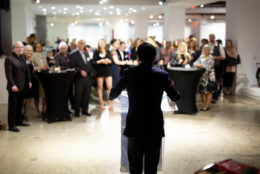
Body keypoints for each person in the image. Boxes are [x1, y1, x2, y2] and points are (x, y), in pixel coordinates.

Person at [109, 42, 180, 174]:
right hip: (154, 124)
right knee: (151, 166)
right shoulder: (162, 75)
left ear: (138, 57)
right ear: (154, 58)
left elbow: (113, 94)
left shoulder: (129, 73)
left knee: (134, 166)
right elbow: (175, 97)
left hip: (134, 124)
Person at [4, 41, 31, 132]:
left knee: (20, 105)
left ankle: (19, 121)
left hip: (22, 86)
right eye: (18, 47)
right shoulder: (9, 59)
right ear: (14, 48)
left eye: (21, 47)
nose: (20, 49)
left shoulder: (23, 57)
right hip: (14, 87)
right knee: (13, 106)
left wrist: (29, 81)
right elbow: (9, 74)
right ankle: (11, 125)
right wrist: (13, 85)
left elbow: (26, 70)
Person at [69, 39, 92, 116]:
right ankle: (77, 111)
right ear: (77, 44)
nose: (81, 45)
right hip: (79, 77)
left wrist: (90, 74)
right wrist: (80, 71)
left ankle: (85, 110)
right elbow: (72, 66)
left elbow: (89, 64)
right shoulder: (73, 54)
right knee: (78, 95)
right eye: (80, 43)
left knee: (87, 94)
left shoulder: (86, 53)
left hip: (88, 77)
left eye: (83, 43)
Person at [193, 45, 216, 111]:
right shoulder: (201, 56)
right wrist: (199, 65)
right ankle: (206, 105)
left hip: (209, 77)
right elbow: (194, 63)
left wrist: (198, 65)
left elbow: (207, 67)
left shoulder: (211, 57)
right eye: (204, 49)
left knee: (208, 91)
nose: (206, 51)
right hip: (202, 77)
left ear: (209, 50)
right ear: (202, 50)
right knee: (202, 91)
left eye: (207, 49)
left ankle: (206, 106)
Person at [93, 39, 113, 110]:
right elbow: (94, 62)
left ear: (105, 44)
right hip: (100, 70)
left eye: (103, 43)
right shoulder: (96, 51)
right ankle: (101, 103)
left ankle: (110, 102)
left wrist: (108, 60)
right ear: (98, 44)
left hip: (108, 70)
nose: (102, 44)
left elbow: (111, 61)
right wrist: (100, 61)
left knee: (109, 87)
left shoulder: (108, 51)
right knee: (100, 87)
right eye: (101, 43)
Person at [31, 42, 49, 116]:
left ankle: (43, 109)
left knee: (44, 94)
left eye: (40, 47)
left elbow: (46, 65)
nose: (39, 48)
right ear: (35, 48)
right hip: (37, 77)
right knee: (37, 95)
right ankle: (37, 109)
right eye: (37, 47)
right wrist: (40, 68)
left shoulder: (44, 55)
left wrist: (47, 67)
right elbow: (31, 67)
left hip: (44, 76)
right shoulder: (33, 55)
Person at [208, 34, 225, 103]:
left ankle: (215, 96)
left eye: (213, 37)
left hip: (216, 66)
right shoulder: (207, 46)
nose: (211, 38)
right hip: (208, 66)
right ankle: (209, 96)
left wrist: (214, 57)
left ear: (214, 38)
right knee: (209, 81)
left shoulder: (219, 46)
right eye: (210, 37)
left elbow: (223, 57)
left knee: (216, 81)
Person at [22, 45, 36, 122]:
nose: (29, 52)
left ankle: (24, 114)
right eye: (27, 50)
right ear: (24, 51)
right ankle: (19, 115)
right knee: (23, 99)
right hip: (24, 82)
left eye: (31, 51)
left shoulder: (30, 60)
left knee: (29, 99)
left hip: (31, 82)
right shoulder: (22, 60)